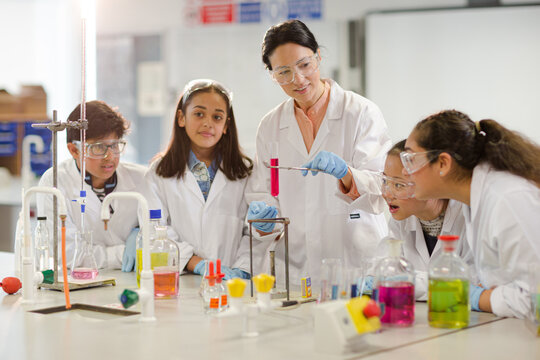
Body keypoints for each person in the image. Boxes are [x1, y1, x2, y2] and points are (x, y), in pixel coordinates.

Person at [246, 20, 391, 286]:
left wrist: (347, 174)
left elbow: (384, 189)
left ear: (318, 57)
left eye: (304, 65)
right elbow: (266, 193)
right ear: (272, 75)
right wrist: (264, 220)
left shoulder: (361, 112)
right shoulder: (270, 126)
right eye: (284, 72)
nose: (298, 79)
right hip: (297, 269)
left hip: (356, 263)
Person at [401, 109, 540, 318]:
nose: (404, 171)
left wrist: (474, 296)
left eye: (411, 158)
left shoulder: (506, 198)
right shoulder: (473, 201)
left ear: (443, 163)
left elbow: (533, 300)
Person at [144, 79, 252, 280]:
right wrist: (199, 264)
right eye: (199, 114)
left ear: (226, 125)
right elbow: (156, 232)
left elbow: (251, 233)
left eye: (217, 117)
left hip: (233, 283)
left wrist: (242, 269)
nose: (208, 123)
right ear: (181, 117)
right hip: (183, 279)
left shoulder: (244, 172)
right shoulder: (158, 172)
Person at [37, 100, 146, 271]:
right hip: (81, 285)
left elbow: (162, 235)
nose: (110, 156)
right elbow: (66, 254)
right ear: (74, 150)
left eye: (115, 145)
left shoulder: (141, 178)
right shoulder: (55, 182)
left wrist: (139, 232)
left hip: (133, 280)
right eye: (98, 147)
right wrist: (124, 253)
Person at [368, 140, 473, 301]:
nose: (387, 194)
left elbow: (472, 283)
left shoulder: (467, 216)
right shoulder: (402, 218)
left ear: (428, 180)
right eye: (385, 182)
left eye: (398, 185)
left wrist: (410, 281)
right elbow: (381, 270)